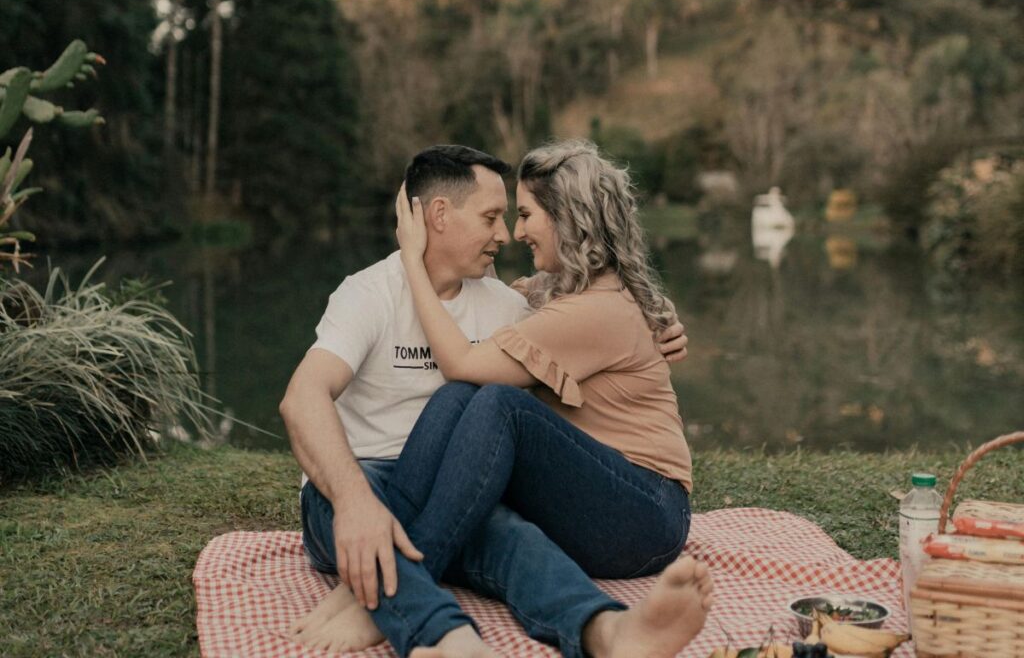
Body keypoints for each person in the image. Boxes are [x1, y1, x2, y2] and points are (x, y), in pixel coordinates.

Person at [280, 144, 711, 658]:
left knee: (508, 519)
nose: (508, 233)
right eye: (493, 216)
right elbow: (301, 397)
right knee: (463, 415)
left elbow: (582, 319)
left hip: (470, 490)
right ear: (438, 215)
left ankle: (605, 631)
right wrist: (353, 503)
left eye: (519, 215)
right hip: (362, 479)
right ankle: (443, 635)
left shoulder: (508, 306)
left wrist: (655, 324)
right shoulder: (370, 293)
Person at [388, 137, 697, 603]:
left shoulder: (597, 310)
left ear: (567, 219)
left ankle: (403, 586)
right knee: (460, 398)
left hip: (646, 516)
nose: (516, 231)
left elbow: (462, 363)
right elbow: (519, 299)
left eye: (527, 214)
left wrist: (412, 259)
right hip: (613, 498)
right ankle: (383, 542)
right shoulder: (570, 292)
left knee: (498, 403)